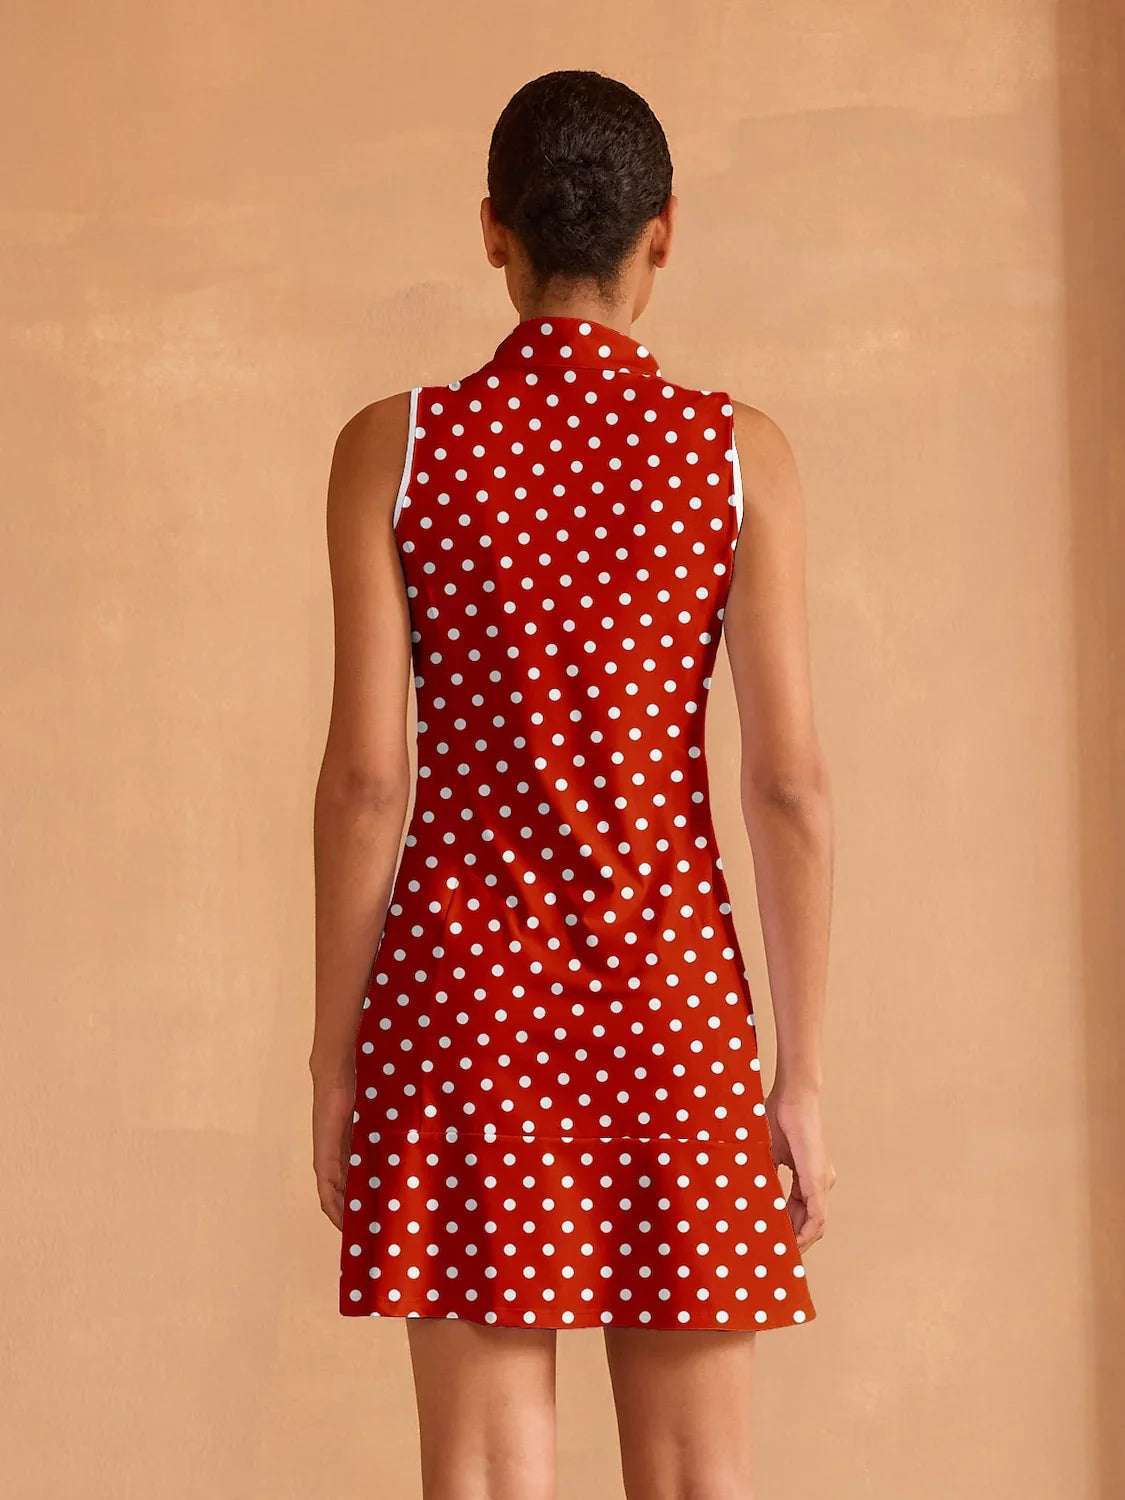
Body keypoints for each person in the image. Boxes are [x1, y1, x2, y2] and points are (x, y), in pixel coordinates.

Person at [310, 67, 835, 1500]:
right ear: (662, 233)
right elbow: (787, 788)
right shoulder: (737, 457)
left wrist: (335, 1061)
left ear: (494, 230)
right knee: (697, 1478)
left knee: (482, 1476)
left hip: (463, 1006)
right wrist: (797, 1076)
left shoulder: (395, 450)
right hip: (671, 1001)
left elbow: (366, 785)